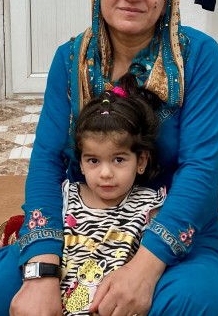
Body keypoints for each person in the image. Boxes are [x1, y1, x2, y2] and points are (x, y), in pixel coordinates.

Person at [0, 0, 218, 316]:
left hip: (167, 224)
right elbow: (47, 161)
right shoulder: (70, 59)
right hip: (82, 222)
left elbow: (200, 169)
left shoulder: (197, 56)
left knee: (188, 303)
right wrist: (42, 271)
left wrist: (144, 269)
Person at [61, 76, 166, 315]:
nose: (105, 173)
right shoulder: (67, 197)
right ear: (81, 163)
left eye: (118, 159)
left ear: (141, 161)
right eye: (93, 161)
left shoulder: (150, 206)